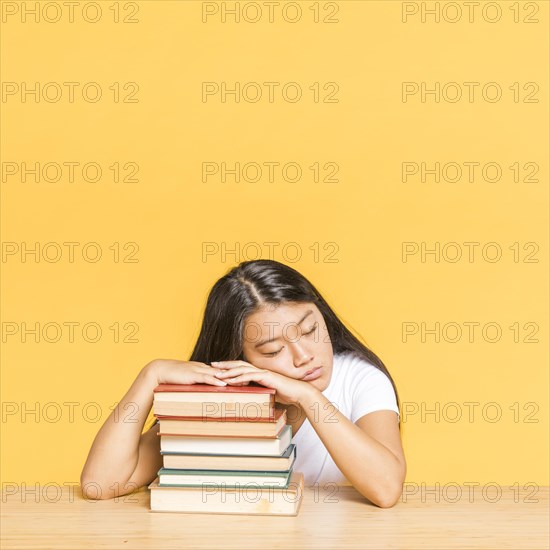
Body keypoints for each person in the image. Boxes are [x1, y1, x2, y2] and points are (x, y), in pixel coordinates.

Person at [80, 259, 406, 508]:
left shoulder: (360, 377)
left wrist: (308, 397)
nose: (304, 355)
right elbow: (101, 483)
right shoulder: (222, 396)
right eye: (273, 349)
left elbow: (387, 488)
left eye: (309, 330)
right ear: (240, 358)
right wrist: (148, 376)